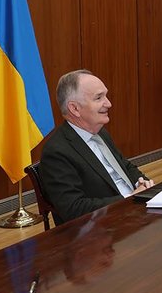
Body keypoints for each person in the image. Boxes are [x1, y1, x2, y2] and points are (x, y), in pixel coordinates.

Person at [39, 70, 154, 225]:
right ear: (75, 109)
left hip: (134, 214)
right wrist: (129, 199)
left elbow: (125, 166)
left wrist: (141, 183)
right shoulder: (56, 152)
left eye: (105, 95)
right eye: (99, 98)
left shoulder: (100, 133)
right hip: (101, 230)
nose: (108, 103)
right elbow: (73, 208)